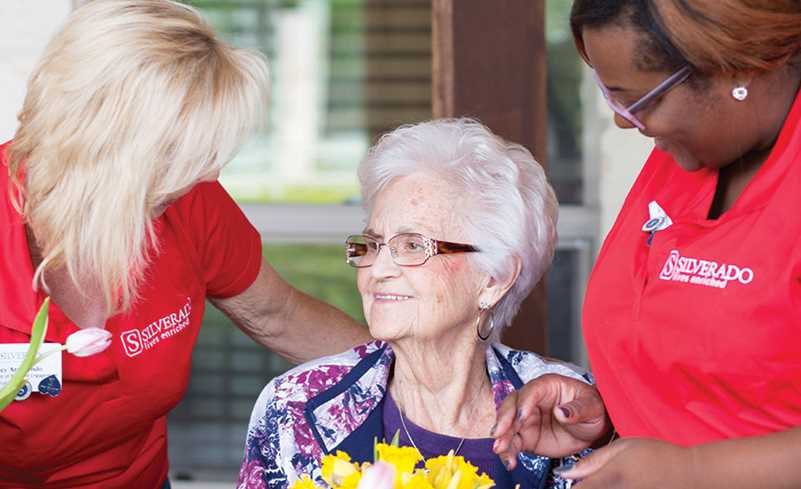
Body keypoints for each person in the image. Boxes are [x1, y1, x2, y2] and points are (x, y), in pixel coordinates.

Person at [0, 1, 368, 488]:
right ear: (98, 147)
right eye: (183, 156)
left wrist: (429, 377)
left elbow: (281, 317)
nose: (209, 175)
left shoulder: (189, 201)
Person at [493, 1, 801, 487]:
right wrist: (605, 418)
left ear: (735, 68)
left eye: (638, 102)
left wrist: (694, 472)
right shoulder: (688, 153)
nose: (623, 121)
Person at [238, 118, 604, 489]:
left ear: (493, 279)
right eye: (374, 244)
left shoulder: (569, 411)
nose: (377, 269)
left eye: (413, 246)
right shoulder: (297, 405)